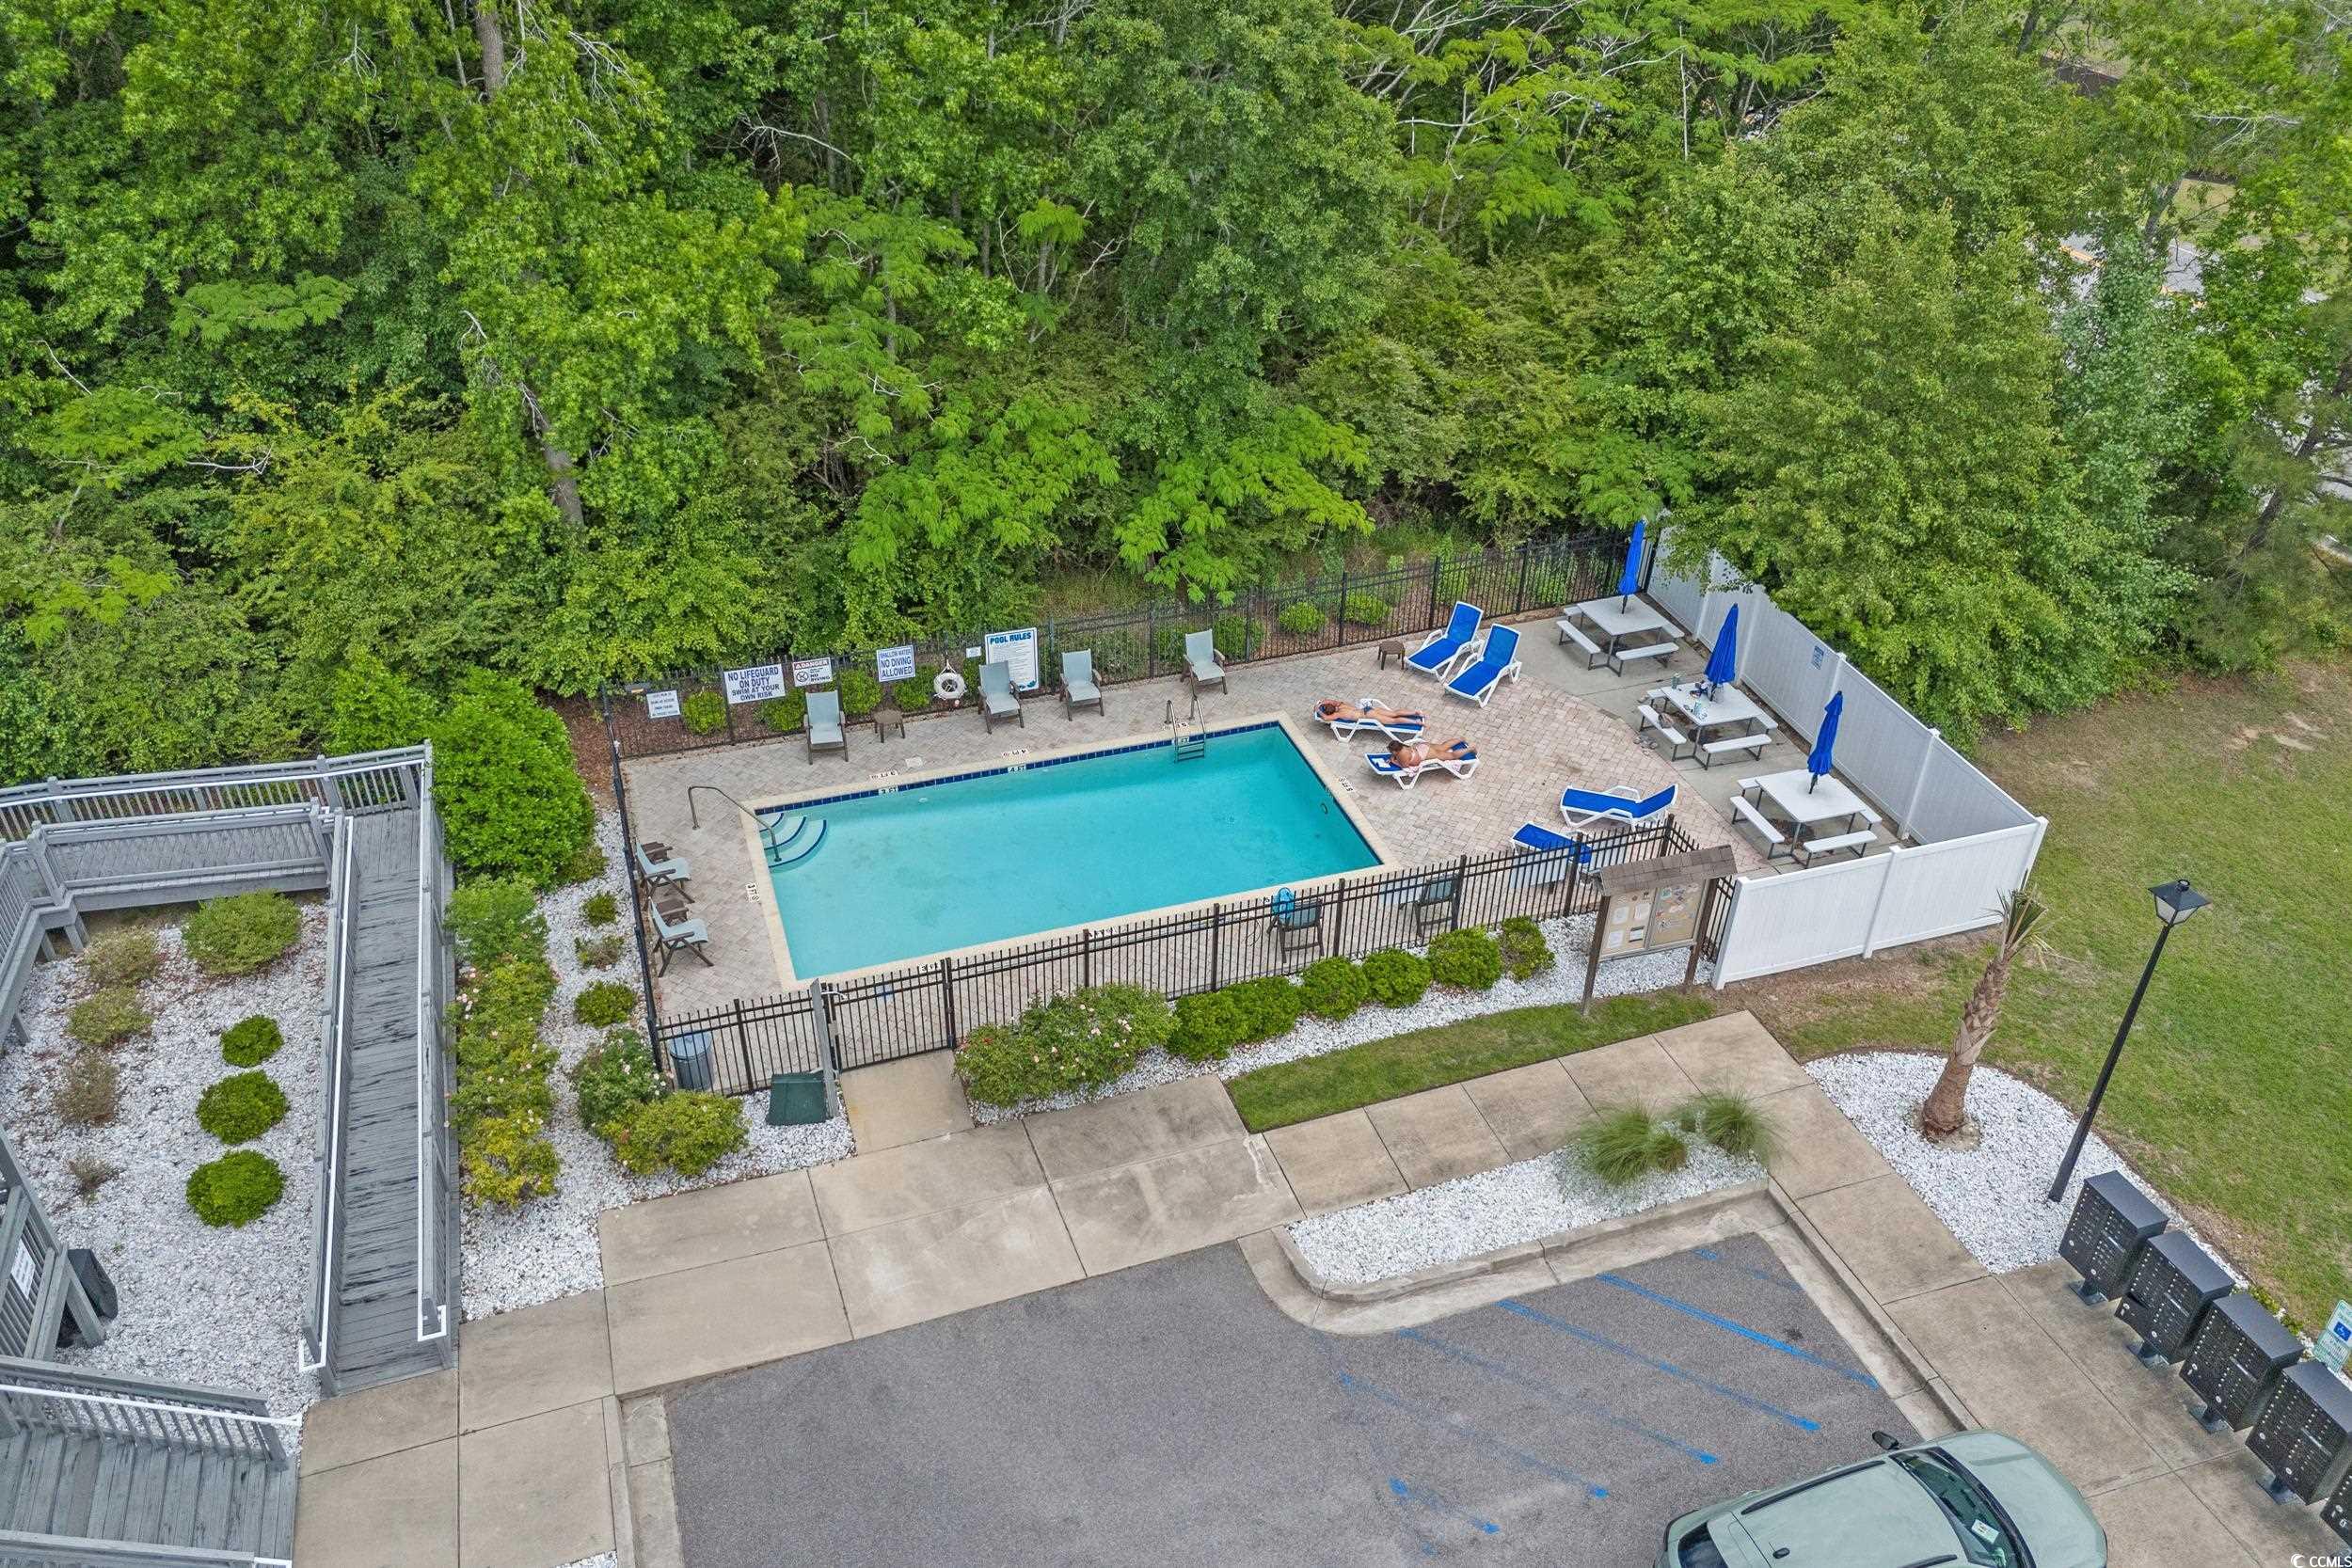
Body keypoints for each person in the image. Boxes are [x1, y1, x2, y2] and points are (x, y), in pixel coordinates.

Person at [1314, 698, 1423, 727]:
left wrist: (1318, 709)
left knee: (1394, 721)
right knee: (1394, 713)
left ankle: (1416, 722)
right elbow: (1328, 700)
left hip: (1368, 715)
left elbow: (1325, 718)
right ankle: (1416, 712)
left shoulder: (1338, 714)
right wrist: (1321, 703)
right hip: (1368, 709)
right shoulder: (1340, 704)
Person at [1386, 736, 1471, 768]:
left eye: (1391, 751)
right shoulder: (1402, 747)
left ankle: (1470, 749)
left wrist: (1394, 761)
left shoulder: (1402, 754)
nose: (1391, 753)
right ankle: (1461, 739)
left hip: (1425, 753)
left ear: (1395, 751)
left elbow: (1405, 766)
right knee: (1443, 747)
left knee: (1451, 756)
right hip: (1422, 746)